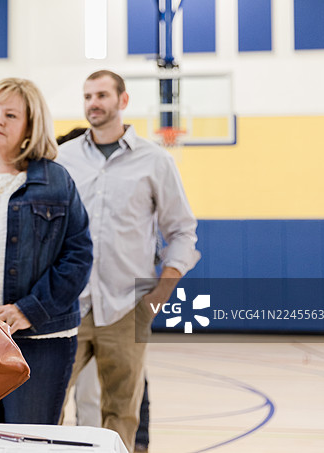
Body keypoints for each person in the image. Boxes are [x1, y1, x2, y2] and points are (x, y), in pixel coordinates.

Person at [56, 70, 199, 453]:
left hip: (126, 308)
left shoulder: (155, 161)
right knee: (48, 406)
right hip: (68, 305)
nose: (93, 104)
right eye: (87, 96)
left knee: (121, 415)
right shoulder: (63, 159)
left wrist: (157, 298)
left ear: (123, 101)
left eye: (102, 95)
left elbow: (183, 233)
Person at [0, 78, 93, 424]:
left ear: (30, 127)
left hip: (40, 338)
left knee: (28, 441)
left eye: (10, 115)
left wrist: (27, 310)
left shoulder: (57, 180)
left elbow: (78, 256)